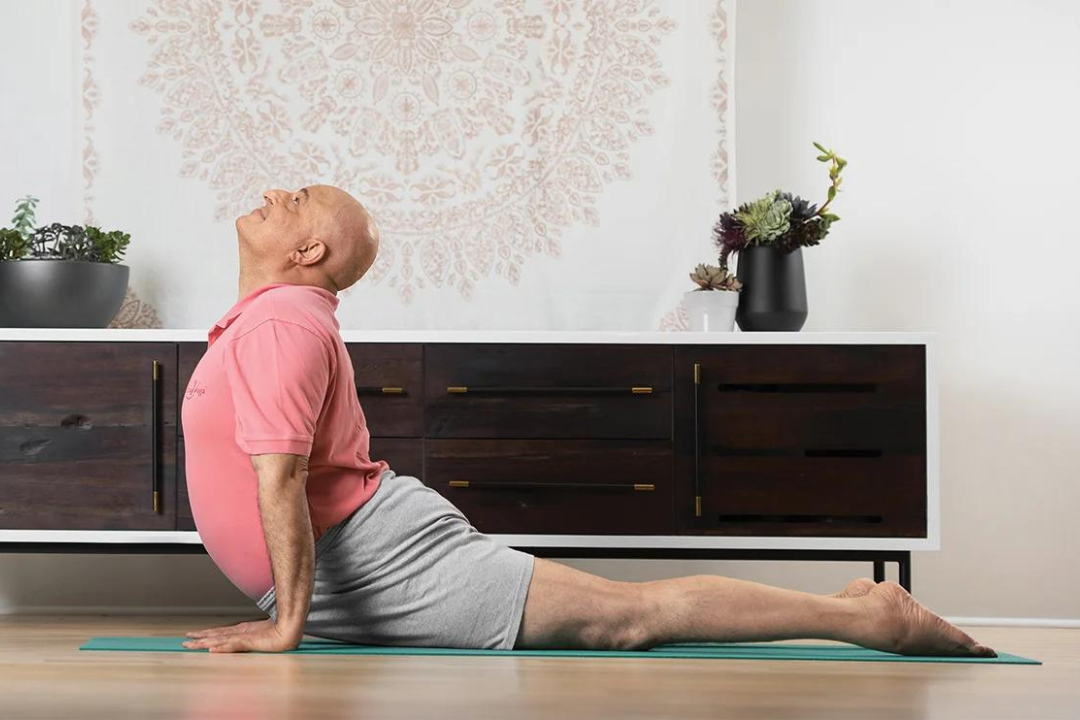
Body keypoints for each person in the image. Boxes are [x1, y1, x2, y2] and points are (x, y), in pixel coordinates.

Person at [179, 184, 996, 658]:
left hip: (380, 556)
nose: (279, 193)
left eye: (301, 201)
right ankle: (859, 610)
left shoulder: (284, 322)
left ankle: (866, 617)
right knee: (623, 613)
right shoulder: (273, 316)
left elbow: (280, 477)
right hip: (361, 555)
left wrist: (286, 628)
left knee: (625, 619)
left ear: (311, 252)